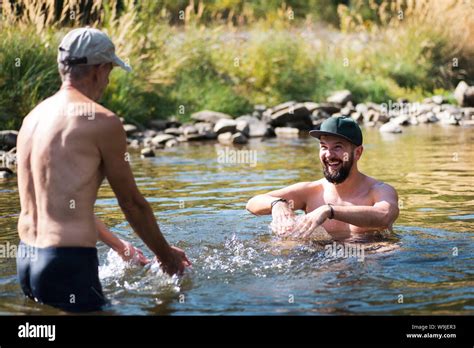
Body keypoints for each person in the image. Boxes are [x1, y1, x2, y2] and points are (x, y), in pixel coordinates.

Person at [16, 27, 191, 312]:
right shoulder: (101, 121)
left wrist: (119, 245)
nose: (108, 81)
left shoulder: (33, 118)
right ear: (98, 69)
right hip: (68, 261)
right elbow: (132, 204)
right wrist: (166, 256)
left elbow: (62, 203)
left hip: (28, 257)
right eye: (110, 71)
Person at [246, 116, 399, 242]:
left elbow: (385, 215)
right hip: (322, 261)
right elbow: (252, 204)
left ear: (357, 153)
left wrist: (329, 210)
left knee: (390, 249)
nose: (329, 154)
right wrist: (276, 204)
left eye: (338, 147)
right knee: (282, 246)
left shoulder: (379, 190)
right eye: (324, 147)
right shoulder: (312, 191)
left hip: (369, 260)